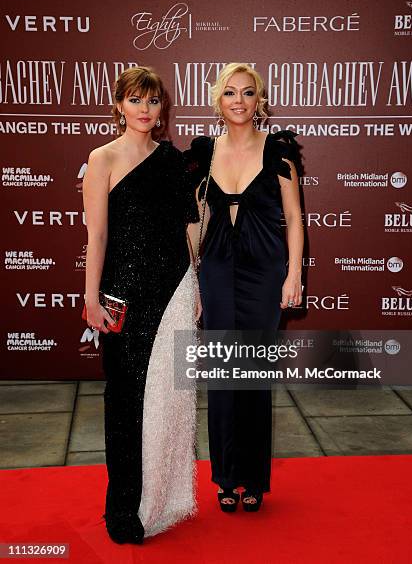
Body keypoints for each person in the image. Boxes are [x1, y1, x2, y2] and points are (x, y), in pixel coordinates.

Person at [83, 66, 199, 544]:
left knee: (169, 402)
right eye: (136, 101)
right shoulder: (102, 158)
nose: (145, 111)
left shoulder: (172, 161)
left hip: (171, 289)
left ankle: (163, 497)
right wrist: (90, 297)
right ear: (119, 105)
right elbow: (98, 235)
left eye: (152, 102)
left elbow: (188, 226)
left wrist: (196, 286)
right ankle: (123, 510)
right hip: (123, 293)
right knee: (125, 402)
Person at [185, 63, 304, 513]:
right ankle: (225, 477)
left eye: (247, 92)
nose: (239, 100)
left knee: (252, 377)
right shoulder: (201, 156)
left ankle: (252, 478)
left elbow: (294, 218)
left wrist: (294, 274)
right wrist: (192, 276)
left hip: (264, 271)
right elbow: (192, 221)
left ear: (260, 101)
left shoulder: (279, 154)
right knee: (221, 376)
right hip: (215, 270)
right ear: (219, 100)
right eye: (230, 92)